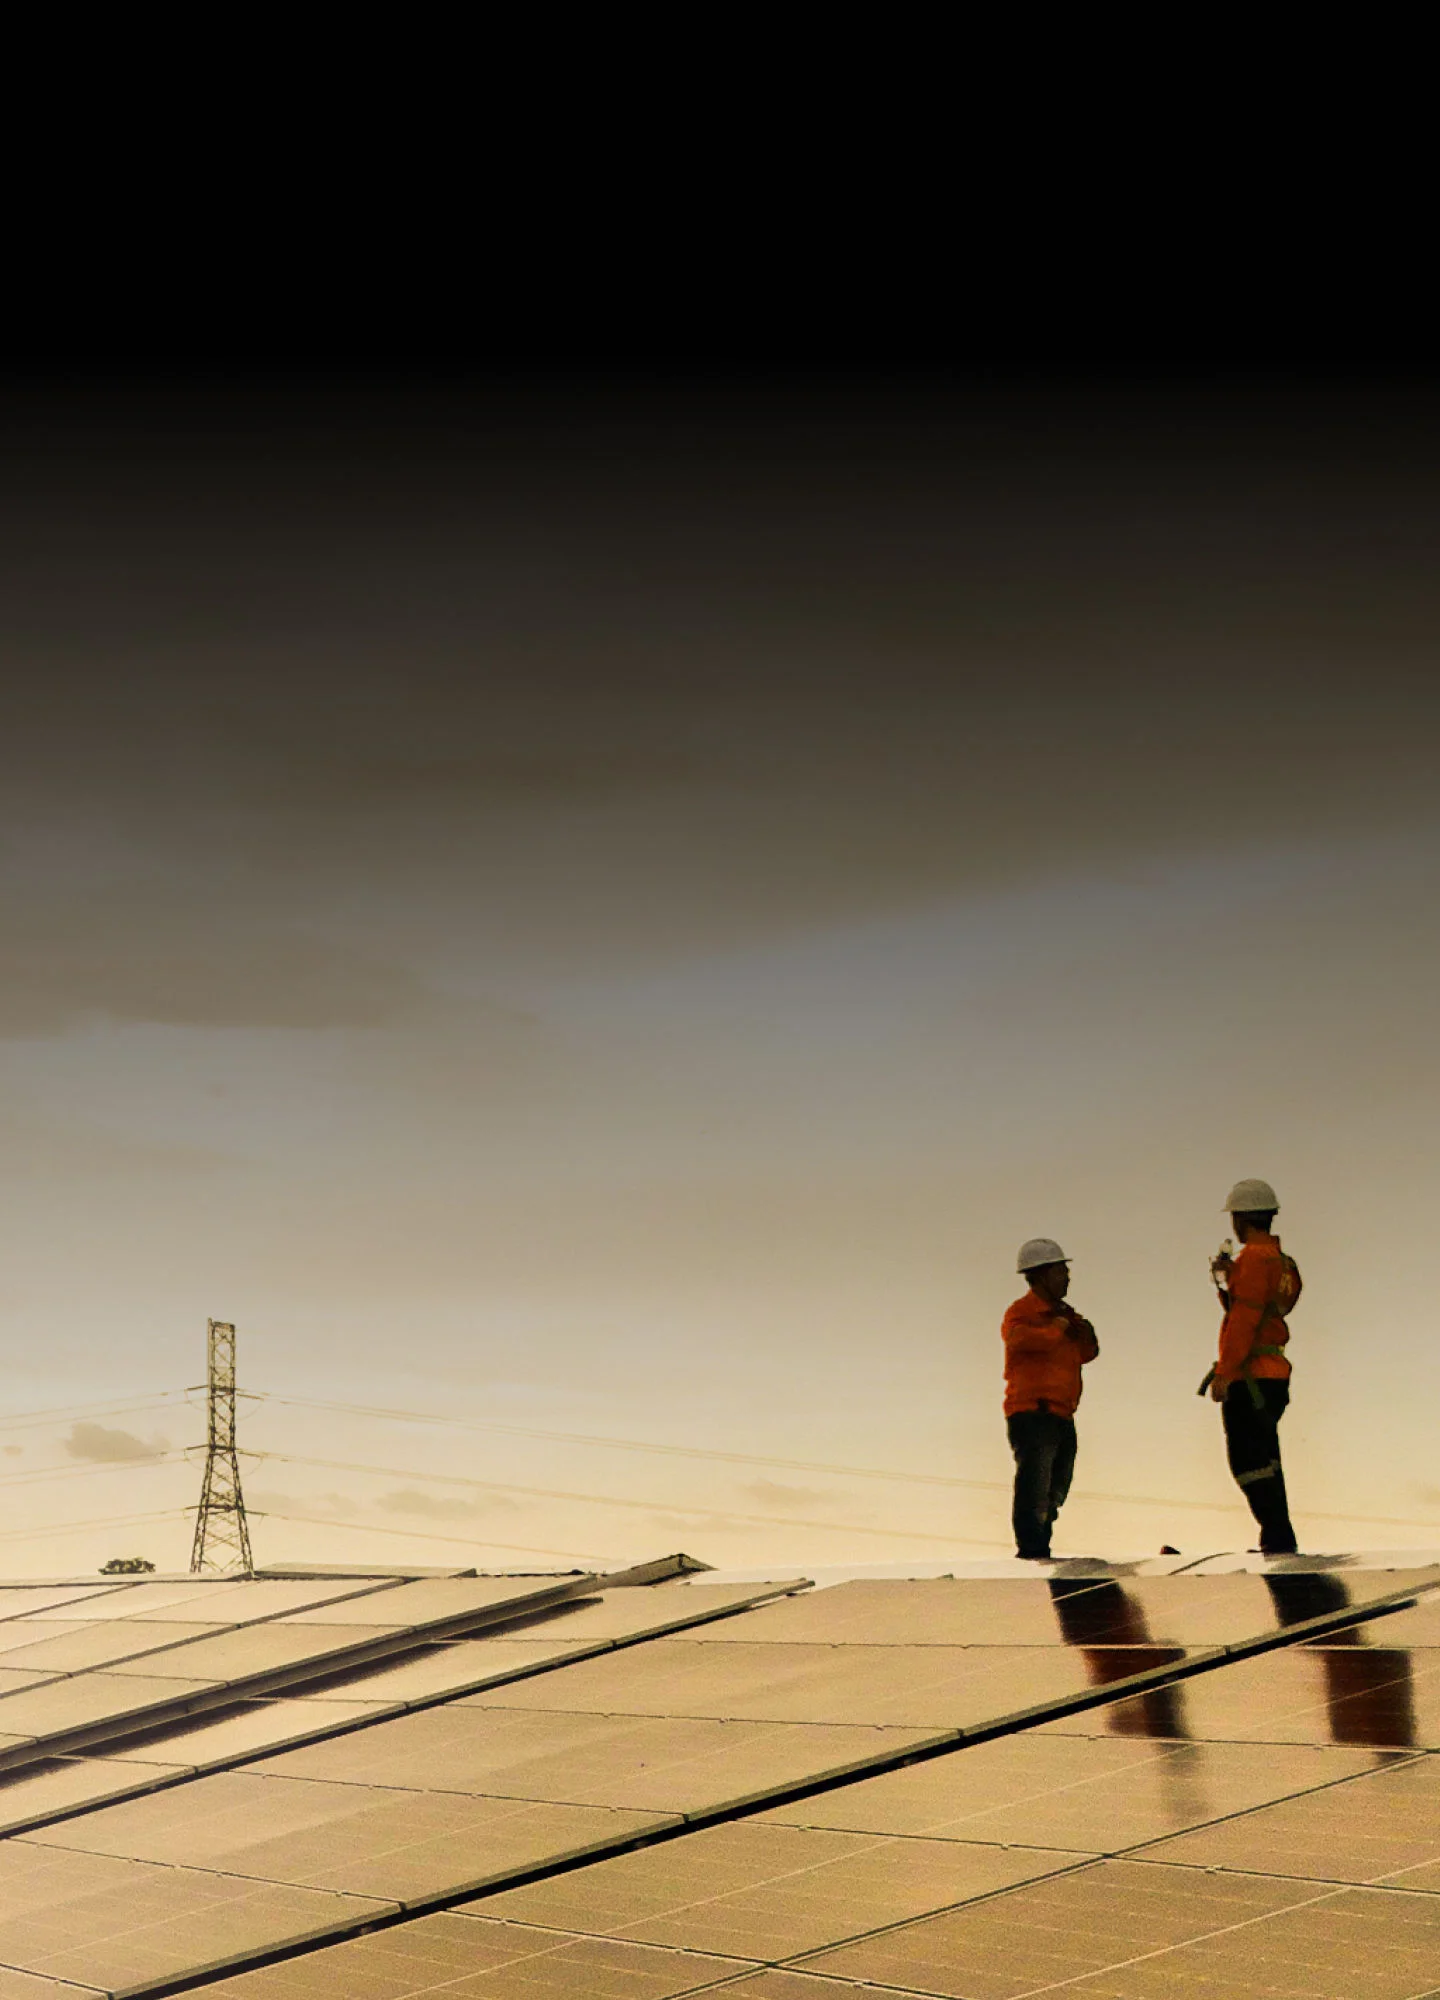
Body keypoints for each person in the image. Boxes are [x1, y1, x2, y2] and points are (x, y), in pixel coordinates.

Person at [1205, 1177, 1301, 1555]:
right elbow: (1267, 1309)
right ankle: (1277, 1537)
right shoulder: (1283, 1263)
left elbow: (1244, 1321)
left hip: (1252, 1375)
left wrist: (1224, 1373)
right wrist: (1229, 1284)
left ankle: (1276, 1536)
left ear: (1240, 1219)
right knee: (1266, 1459)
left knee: (1247, 1461)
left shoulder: (1253, 1260)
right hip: (1273, 1374)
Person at [1003, 1238, 1100, 1560]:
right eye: (1060, 1271)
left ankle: (1040, 1545)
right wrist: (1058, 1327)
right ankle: (1031, 1550)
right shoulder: (1021, 1313)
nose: (1067, 1278)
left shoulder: (1065, 1315)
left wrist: (1083, 1332)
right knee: (1035, 1487)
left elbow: (1086, 1354)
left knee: (1056, 1487)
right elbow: (1021, 1342)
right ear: (1040, 1275)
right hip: (1033, 1412)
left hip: (1061, 1413)